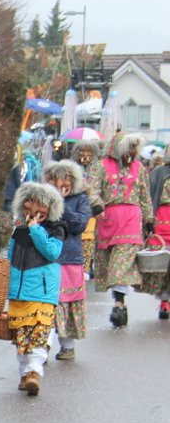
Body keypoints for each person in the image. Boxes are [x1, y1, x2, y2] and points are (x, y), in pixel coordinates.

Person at [6, 183, 65, 395]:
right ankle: (25, 372)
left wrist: (36, 229)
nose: (35, 207)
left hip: (42, 293)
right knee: (21, 337)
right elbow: (10, 257)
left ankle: (34, 373)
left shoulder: (57, 228)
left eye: (41, 203)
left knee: (39, 334)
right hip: (19, 293)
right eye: (30, 201)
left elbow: (52, 252)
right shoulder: (18, 229)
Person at [91, 132, 151, 327]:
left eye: (135, 148)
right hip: (108, 221)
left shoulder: (139, 168)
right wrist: (97, 205)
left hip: (130, 221)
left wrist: (149, 218)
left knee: (119, 266)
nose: (132, 153)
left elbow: (144, 195)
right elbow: (91, 189)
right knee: (109, 264)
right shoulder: (101, 167)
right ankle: (121, 305)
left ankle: (118, 305)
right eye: (129, 148)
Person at [44, 161, 92, 360]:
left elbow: (78, 225)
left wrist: (61, 203)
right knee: (47, 303)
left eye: (63, 177)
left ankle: (67, 346)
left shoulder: (81, 200)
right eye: (54, 178)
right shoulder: (43, 198)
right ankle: (42, 347)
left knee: (68, 303)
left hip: (70, 258)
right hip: (47, 258)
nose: (58, 182)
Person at [137, 170, 170, 318]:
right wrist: (148, 222)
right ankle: (164, 300)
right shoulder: (158, 173)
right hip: (161, 219)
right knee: (162, 265)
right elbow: (148, 198)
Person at [71, 139, 104, 276]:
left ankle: (87, 266)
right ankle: (80, 265)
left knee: (90, 238)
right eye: (82, 151)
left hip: (94, 210)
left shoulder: (98, 168)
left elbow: (100, 187)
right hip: (75, 208)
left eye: (88, 151)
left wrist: (98, 204)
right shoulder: (72, 167)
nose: (84, 154)